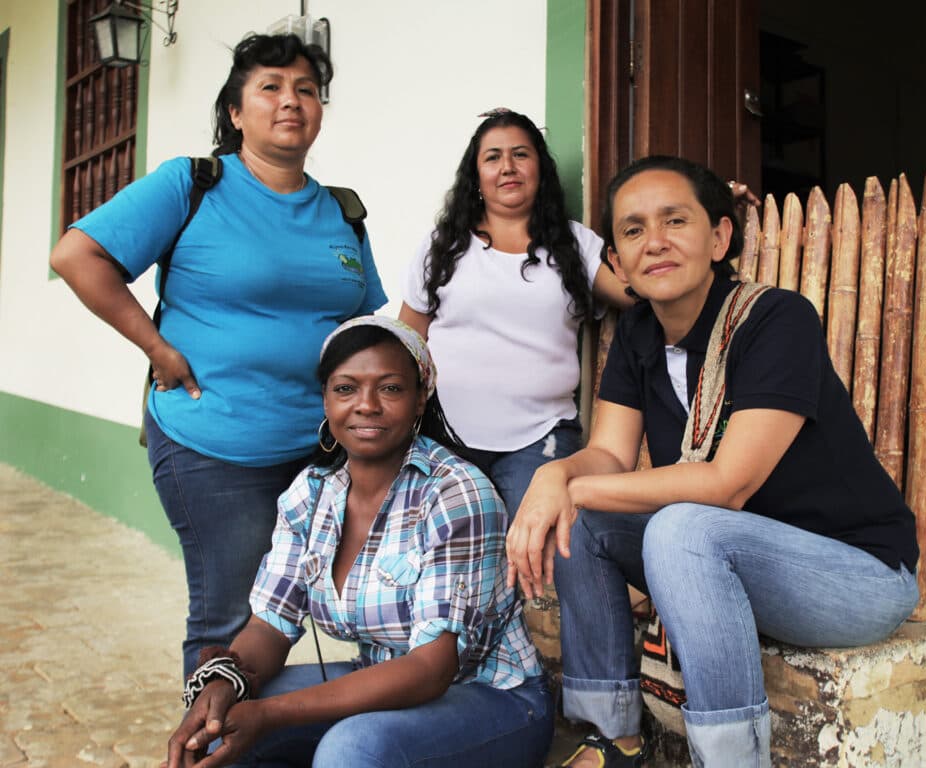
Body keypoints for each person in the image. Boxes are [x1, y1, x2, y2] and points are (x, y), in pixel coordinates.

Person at [505, 156, 920, 767]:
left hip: (854, 575)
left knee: (680, 524)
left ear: (720, 237)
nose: (657, 243)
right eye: (634, 230)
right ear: (616, 261)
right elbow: (610, 455)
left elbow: (727, 485)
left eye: (676, 220)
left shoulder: (776, 320)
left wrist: (576, 490)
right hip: (738, 560)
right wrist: (554, 475)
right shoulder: (639, 333)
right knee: (589, 521)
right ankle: (612, 735)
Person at [49, 34, 386, 678]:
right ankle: (209, 745)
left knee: (290, 619)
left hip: (318, 453)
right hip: (213, 447)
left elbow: (362, 326)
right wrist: (156, 347)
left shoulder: (342, 213)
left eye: (307, 90)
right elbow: (76, 256)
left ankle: (267, 739)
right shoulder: (193, 183)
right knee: (230, 622)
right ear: (235, 112)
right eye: (271, 87)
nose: (292, 101)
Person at [166, 316, 553, 768]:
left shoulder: (455, 494)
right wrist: (223, 682)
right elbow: (270, 623)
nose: (366, 405)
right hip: (378, 681)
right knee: (216, 727)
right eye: (346, 388)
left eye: (389, 388)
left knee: (351, 750)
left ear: (419, 398)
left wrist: (269, 714)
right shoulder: (311, 493)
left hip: (491, 700)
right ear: (326, 400)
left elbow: (432, 668)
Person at [398, 109, 635, 518]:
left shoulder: (574, 243)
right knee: (454, 556)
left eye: (520, 154)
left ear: (540, 167)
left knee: (533, 555)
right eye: (493, 157)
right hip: (444, 438)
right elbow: (407, 342)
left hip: (540, 439)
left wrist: (696, 218)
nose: (507, 167)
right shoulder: (443, 245)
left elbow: (636, 293)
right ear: (476, 175)